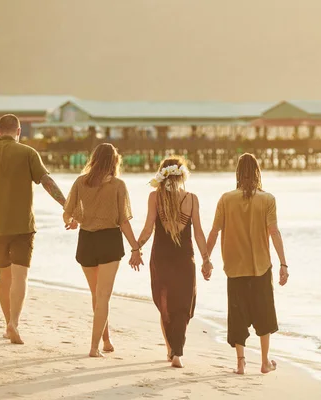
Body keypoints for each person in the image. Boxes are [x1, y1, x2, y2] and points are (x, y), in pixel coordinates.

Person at [0, 114, 69, 345]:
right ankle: (15, 324)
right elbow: (47, 182)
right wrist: (67, 206)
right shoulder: (28, 153)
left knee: (4, 276)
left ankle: (7, 321)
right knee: (20, 276)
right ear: (19, 131)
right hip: (23, 226)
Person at [206, 153, 289, 375]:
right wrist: (283, 263)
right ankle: (264, 362)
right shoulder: (268, 199)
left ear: (237, 173)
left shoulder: (226, 199)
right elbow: (274, 232)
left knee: (237, 314)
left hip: (234, 268)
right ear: (257, 173)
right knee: (264, 313)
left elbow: (214, 231)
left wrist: (206, 259)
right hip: (261, 266)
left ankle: (241, 362)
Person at [63, 143, 142, 358]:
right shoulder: (118, 185)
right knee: (103, 296)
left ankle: (106, 341)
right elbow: (123, 221)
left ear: (94, 159)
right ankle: (93, 347)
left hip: (86, 241)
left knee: (97, 296)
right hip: (109, 241)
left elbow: (67, 213)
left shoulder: (81, 181)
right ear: (114, 161)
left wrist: (73, 221)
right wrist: (136, 248)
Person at [136, 156, 213, 368]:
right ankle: (177, 350)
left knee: (165, 304)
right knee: (183, 305)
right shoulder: (192, 199)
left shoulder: (154, 197)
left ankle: (171, 348)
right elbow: (198, 233)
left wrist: (136, 248)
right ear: (183, 175)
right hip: (184, 259)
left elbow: (148, 228)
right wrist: (206, 260)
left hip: (161, 257)